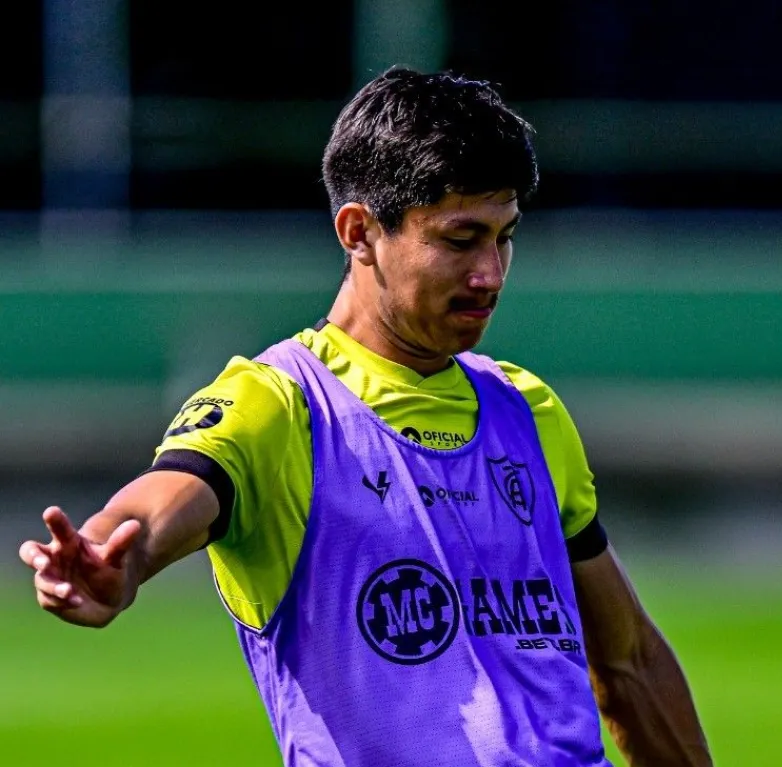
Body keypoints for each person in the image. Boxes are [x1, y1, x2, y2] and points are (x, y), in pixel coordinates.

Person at [19, 67, 712, 767]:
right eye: (459, 238)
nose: (491, 273)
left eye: (504, 237)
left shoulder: (526, 409)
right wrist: (116, 551)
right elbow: (171, 492)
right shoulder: (283, 404)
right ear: (359, 231)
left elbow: (628, 663)